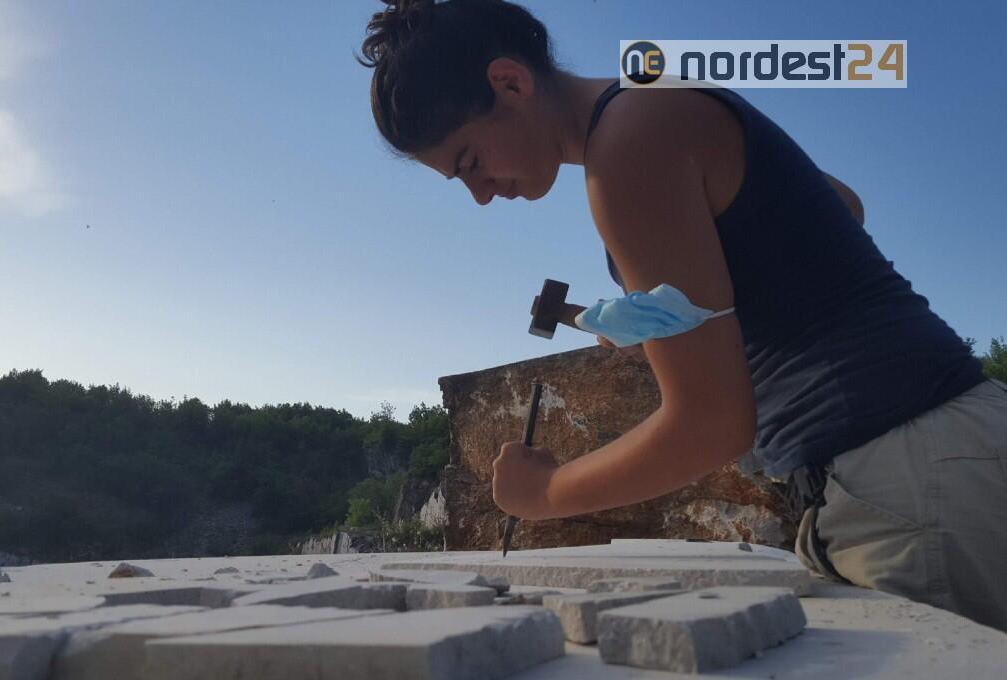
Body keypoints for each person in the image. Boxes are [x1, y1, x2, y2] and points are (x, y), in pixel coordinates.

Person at [358, 0, 1007, 631]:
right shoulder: (657, 94)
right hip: (952, 444)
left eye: (470, 162)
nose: (479, 195)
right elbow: (842, 205)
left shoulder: (626, 148)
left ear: (510, 82)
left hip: (907, 476)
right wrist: (692, 316)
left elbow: (712, 424)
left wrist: (544, 494)